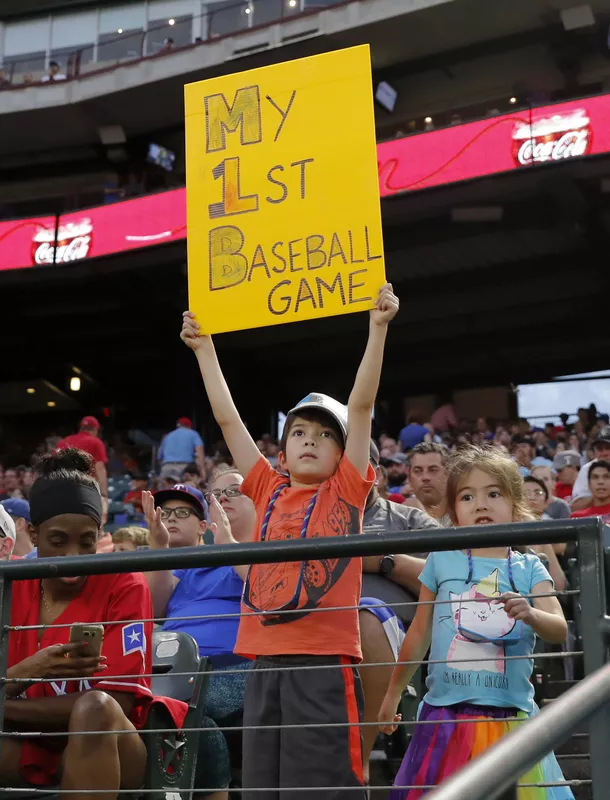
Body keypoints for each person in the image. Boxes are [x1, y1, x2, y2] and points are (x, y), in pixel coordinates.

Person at [180, 283, 399, 798]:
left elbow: (362, 405)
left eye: (326, 435)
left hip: (322, 666)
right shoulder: (266, 486)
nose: (311, 440)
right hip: (263, 663)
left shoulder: (346, 490)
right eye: (300, 432)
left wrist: (378, 329)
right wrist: (205, 348)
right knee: (263, 788)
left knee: (322, 790)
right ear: (282, 450)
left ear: (344, 454)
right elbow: (227, 419)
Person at [378, 446, 572, 799]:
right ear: (454, 510)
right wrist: (392, 693)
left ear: (515, 505)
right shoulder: (441, 560)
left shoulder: (530, 568)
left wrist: (530, 612)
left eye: (493, 493)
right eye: (468, 496)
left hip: (510, 719)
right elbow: (419, 632)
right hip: (444, 719)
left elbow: (559, 627)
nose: (481, 504)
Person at [3, 448, 187, 794]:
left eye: (86, 542)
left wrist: (5, 707)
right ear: (34, 532)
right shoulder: (11, 586)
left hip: (111, 747)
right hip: (30, 744)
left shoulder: (124, 582)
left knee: (95, 708)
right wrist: (32, 669)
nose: (73, 556)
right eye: (57, 541)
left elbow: (119, 704)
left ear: (99, 535)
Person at [144, 474, 254, 800]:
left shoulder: (265, 548)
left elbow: (266, 593)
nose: (223, 498)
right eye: (216, 493)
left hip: (234, 664)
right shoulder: (187, 565)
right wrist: (158, 546)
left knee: (184, 716)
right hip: (174, 669)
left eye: (234, 491)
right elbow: (152, 607)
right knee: (174, 715)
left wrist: (228, 545)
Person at [522, 476, 567, 591]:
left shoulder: (553, 526)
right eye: (525, 493)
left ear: (547, 502)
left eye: (538, 493)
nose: (532, 497)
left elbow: (562, 546)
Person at [56, 416, 108, 504]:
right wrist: (104, 494)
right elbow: (100, 468)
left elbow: (56, 467)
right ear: (95, 430)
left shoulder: (62, 442)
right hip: (87, 490)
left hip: (64, 489)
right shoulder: (96, 442)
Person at [407, 442, 449, 523]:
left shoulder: (464, 516)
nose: (425, 477)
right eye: (417, 471)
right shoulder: (398, 519)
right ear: (409, 479)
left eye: (433, 470)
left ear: (448, 475)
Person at [570, 427, 610, 510]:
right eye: (600, 449)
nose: (605, 453)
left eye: (608, 448)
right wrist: (599, 496)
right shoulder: (587, 469)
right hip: (597, 518)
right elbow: (575, 506)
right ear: (594, 452)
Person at [570, 459, 610, 524]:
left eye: (606, 477)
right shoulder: (577, 518)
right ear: (588, 484)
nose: (600, 482)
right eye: (595, 477)